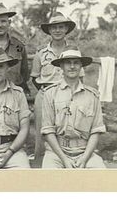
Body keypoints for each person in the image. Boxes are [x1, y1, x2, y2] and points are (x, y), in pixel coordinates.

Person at [40, 46, 106, 169]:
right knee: (49, 179)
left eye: (76, 63)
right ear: (61, 67)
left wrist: (84, 159)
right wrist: (64, 159)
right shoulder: (50, 93)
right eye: (67, 63)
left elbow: (96, 130)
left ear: (81, 66)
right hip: (56, 153)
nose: (72, 66)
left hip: (84, 152)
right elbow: (48, 130)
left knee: (101, 176)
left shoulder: (92, 95)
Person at [31, 12, 83, 163]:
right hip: (45, 94)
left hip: (68, 95)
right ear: (49, 30)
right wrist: (47, 92)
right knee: (42, 134)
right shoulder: (41, 53)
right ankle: (39, 166)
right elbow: (34, 77)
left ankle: (66, 166)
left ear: (66, 29)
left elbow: (80, 77)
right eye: (54, 27)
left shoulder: (74, 52)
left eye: (61, 27)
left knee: (67, 131)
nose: (57, 30)